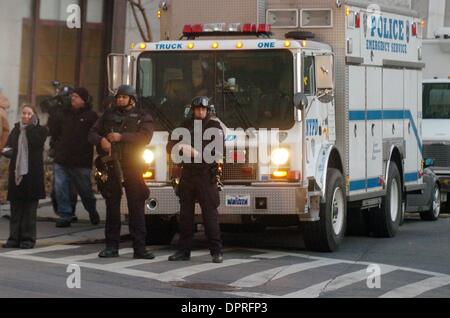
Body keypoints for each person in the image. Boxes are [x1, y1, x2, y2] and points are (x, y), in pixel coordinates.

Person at [89, 85, 155, 259]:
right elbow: (91, 133)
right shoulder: (108, 115)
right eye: (118, 97)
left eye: (123, 97)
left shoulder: (142, 116)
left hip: (132, 166)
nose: (119, 100)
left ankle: (139, 248)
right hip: (111, 166)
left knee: (136, 209)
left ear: (132, 99)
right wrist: (102, 140)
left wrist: (121, 137)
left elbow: (145, 137)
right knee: (112, 207)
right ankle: (111, 247)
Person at [167, 96, 224, 264]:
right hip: (188, 174)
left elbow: (218, 153)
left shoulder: (214, 127)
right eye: (197, 109)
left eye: (203, 109)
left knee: (210, 216)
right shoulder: (185, 125)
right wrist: (179, 147)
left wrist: (195, 153)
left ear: (207, 111)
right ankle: (183, 251)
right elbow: (170, 145)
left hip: (206, 175)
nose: (200, 112)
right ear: (192, 110)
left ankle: (216, 252)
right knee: (185, 216)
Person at [47, 87, 100, 228]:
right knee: (60, 188)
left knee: (85, 191)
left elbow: (97, 134)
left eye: (76, 96)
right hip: (62, 159)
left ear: (83, 99)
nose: (73, 99)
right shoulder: (64, 114)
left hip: (81, 162)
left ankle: (92, 210)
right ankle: (65, 214)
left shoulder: (91, 116)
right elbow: (54, 131)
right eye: (72, 96)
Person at [2, 105, 48, 249]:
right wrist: (7, 151)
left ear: (34, 116)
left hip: (32, 175)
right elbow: (8, 146)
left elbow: (36, 143)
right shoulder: (16, 129)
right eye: (24, 113)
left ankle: (28, 239)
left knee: (29, 211)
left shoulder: (40, 130)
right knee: (15, 209)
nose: (25, 116)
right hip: (17, 174)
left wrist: (30, 128)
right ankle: (14, 238)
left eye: (29, 113)